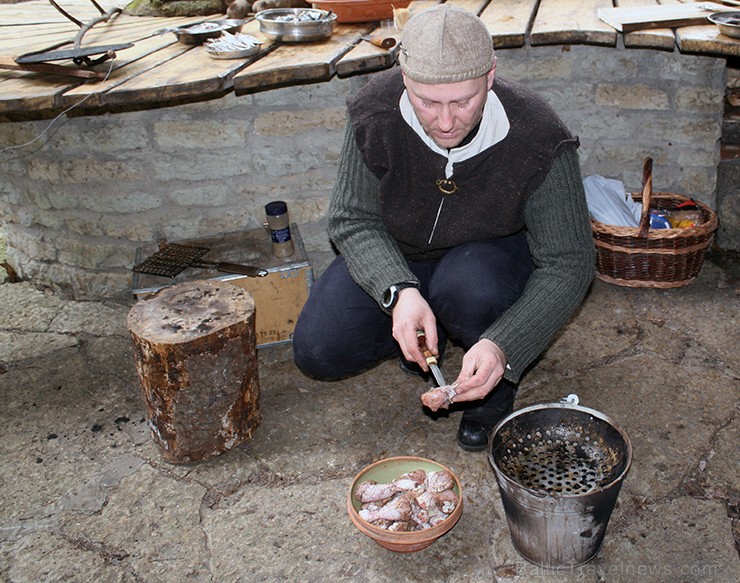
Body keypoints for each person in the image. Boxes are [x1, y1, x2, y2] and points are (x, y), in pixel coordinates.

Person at [292, 4, 595, 451]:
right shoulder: (375, 112)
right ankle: (423, 334)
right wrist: (398, 292)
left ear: (490, 75)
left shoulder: (538, 136)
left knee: (472, 289)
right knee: (319, 350)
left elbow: (570, 263)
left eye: (463, 101)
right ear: (404, 77)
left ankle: (491, 384)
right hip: (400, 252)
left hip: (486, 259)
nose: (446, 121)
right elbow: (351, 218)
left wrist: (505, 346)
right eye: (428, 102)